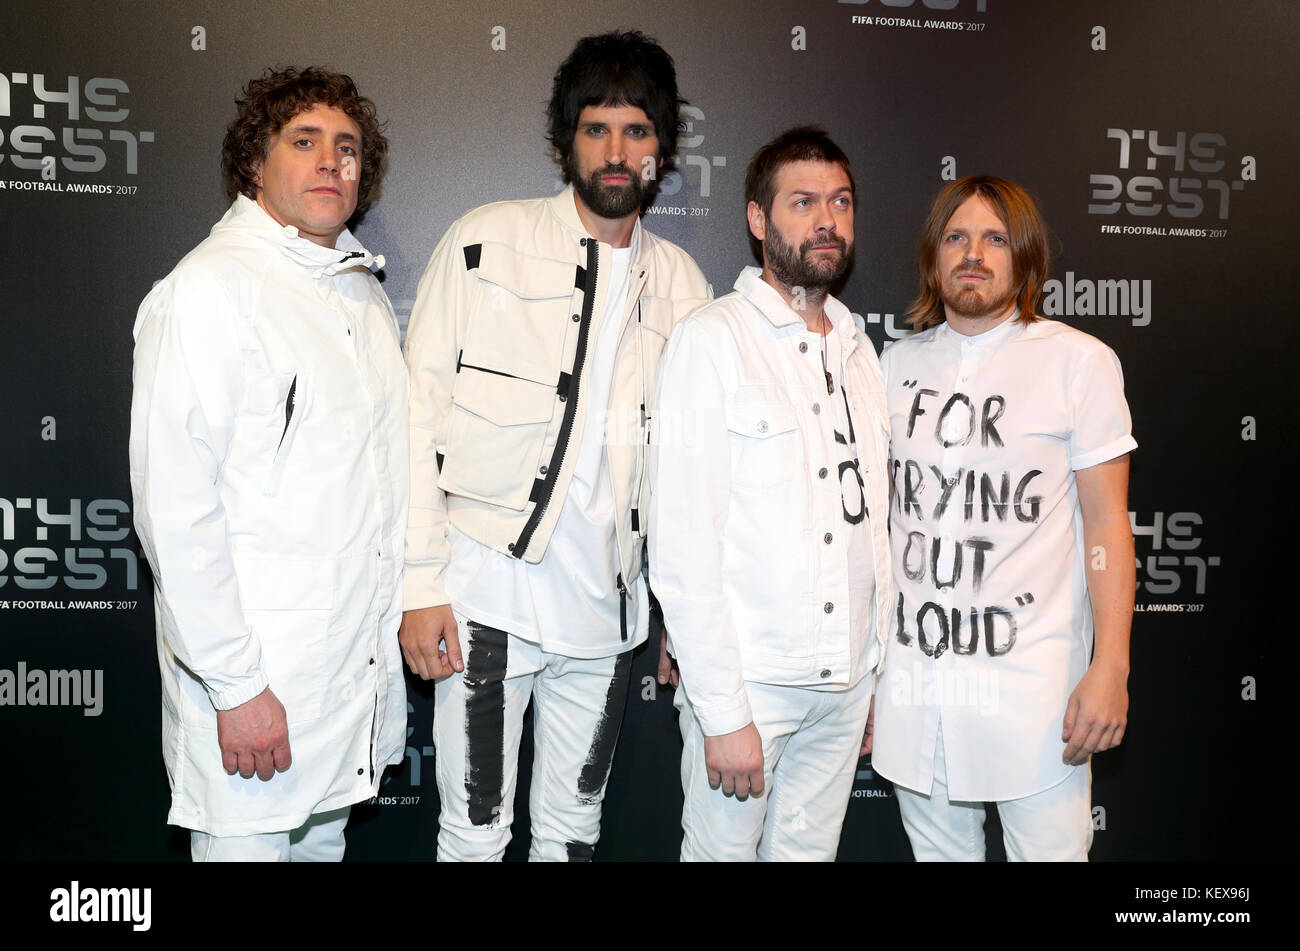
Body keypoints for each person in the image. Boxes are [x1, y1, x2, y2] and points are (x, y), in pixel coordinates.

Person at [400, 30, 711, 862]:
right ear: (565, 139)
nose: (616, 151)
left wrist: (681, 614)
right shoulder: (485, 240)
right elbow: (413, 420)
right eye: (596, 129)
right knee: (473, 834)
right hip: (487, 599)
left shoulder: (684, 284)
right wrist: (421, 581)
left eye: (638, 131)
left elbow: (690, 471)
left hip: (608, 618)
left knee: (574, 835)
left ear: (663, 149)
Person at [129, 66, 408, 862]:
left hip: (342, 698)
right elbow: (175, 512)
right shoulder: (207, 291)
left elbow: (380, 501)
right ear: (255, 162)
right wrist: (237, 686)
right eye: (306, 141)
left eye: (347, 147)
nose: (331, 162)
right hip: (256, 702)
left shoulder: (360, 296)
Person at [870, 176, 1136, 861]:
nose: (973, 255)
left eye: (994, 239)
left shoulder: (1079, 362)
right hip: (914, 691)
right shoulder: (892, 366)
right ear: (933, 257)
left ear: (1024, 256)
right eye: (956, 237)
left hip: (1034, 697)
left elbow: (1107, 526)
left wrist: (1111, 667)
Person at [650, 127, 893, 861]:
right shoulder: (711, 340)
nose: (828, 220)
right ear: (759, 220)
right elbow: (684, 544)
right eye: (804, 202)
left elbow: (873, 526)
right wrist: (723, 711)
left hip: (845, 685)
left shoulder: (858, 350)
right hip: (753, 685)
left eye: (841, 202)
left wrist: (872, 670)